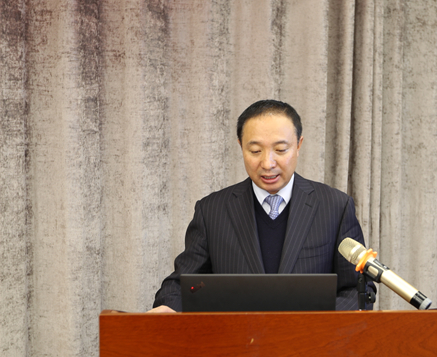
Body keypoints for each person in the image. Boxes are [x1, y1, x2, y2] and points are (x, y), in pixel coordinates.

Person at [150, 99, 374, 312]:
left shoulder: (335, 207)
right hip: (237, 337)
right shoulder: (211, 211)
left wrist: (311, 323)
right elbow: (184, 285)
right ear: (241, 146)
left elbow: (357, 289)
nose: (267, 163)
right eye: (255, 151)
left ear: (298, 145)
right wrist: (169, 307)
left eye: (281, 150)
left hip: (310, 336)